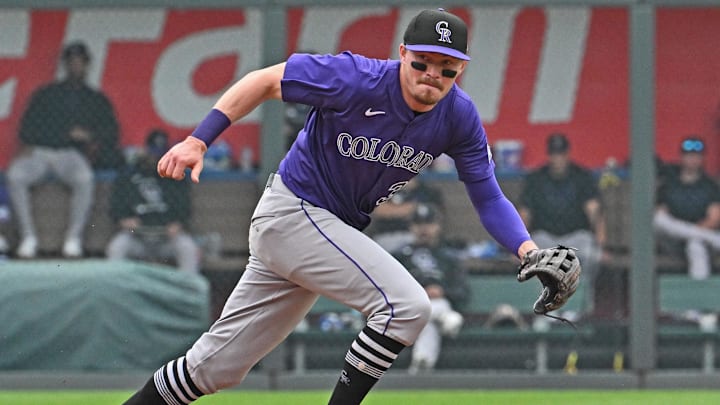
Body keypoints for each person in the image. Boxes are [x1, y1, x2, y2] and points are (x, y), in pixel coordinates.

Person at [124, 9, 548, 405]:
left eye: (446, 68)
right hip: (293, 212)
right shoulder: (357, 78)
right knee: (406, 308)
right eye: (421, 62)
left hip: (320, 232)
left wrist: (528, 250)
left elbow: (488, 195)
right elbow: (266, 80)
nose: (431, 76)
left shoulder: (458, 116)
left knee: (213, 369)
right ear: (402, 54)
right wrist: (200, 139)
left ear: (462, 69)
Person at [6, 41, 120, 259]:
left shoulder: (94, 99)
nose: (75, 66)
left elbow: (111, 133)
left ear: (87, 65)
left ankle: (73, 238)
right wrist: (65, 134)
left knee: (85, 178)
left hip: (71, 155)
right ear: (65, 65)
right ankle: (28, 237)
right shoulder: (47, 94)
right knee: (15, 175)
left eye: (80, 62)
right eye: (71, 62)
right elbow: (26, 131)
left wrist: (89, 136)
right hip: (40, 151)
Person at [518, 133, 604, 308]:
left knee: (592, 254)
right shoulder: (537, 179)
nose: (557, 159)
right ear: (549, 155)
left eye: (561, 154)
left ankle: (581, 305)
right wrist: (518, 245)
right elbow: (524, 214)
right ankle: (545, 306)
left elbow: (595, 211)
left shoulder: (581, 177)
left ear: (567, 154)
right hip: (545, 237)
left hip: (576, 236)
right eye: (554, 154)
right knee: (533, 255)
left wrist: (602, 242)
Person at [106, 129, 200, 273]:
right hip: (136, 236)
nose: (155, 158)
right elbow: (116, 209)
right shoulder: (129, 175)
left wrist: (177, 224)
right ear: (145, 150)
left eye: (159, 154)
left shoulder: (176, 176)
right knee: (117, 247)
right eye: (152, 153)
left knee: (187, 248)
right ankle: (115, 293)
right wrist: (124, 221)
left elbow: (185, 210)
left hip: (167, 238)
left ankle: (187, 292)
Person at [392, 203, 470, 374]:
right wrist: (419, 294)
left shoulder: (449, 257)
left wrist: (442, 292)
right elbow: (389, 290)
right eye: (419, 224)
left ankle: (422, 362)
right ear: (411, 227)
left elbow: (462, 293)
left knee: (428, 320)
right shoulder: (399, 256)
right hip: (407, 310)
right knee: (427, 311)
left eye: (428, 223)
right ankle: (447, 318)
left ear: (438, 225)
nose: (424, 229)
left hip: (437, 306)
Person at [654, 136, 720, 280]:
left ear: (702, 159)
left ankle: (698, 299)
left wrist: (693, 233)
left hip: (699, 238)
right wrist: (685, 231)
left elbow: (714, 218)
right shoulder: (669, 183)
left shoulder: (710, 186)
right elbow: (661, 214)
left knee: (695, 245)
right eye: (689, 156)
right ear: (682, 157)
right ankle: (715, 240)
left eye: (696, 156)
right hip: (672, 241)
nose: (692, 160)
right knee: (657, 219)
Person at [368, 176, 444, 252]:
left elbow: (436, 215)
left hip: (420, 234)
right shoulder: (385, 188)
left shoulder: (428, 191)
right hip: (389, 236)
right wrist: (411, 209)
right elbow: (379, 211)